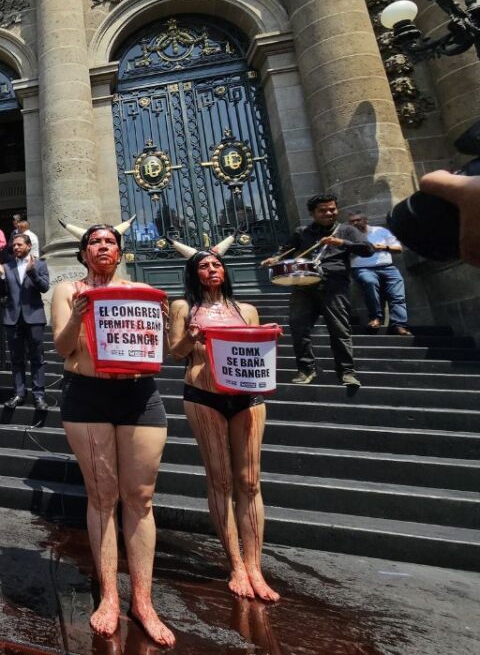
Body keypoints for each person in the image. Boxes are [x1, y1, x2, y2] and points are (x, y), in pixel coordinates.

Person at [52, 218, 175, 648]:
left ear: (120, 253)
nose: (102, 246)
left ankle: (143, 600)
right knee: (102, 496)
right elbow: (63, 347)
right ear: (84, 252)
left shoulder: (141, 293)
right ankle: (108, 596)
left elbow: (159, 350)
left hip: (139, 396)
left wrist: (163, 320)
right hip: (87, 396)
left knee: (140, 498)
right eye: (94, 242)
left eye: (110, 241)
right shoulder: (69, 291)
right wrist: (80, 314)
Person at [167, 236, 279, 602]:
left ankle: (255, 566)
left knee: (249, 482)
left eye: (216, 264)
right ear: (193, 272)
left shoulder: (246, 309)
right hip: (203, 395)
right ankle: (234, 564)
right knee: (220, 480)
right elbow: (174, 352)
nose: (211, 269)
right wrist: (191, 338)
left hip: (247, 397)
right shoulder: (183, 306)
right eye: (203, 265)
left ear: (224, 270)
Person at [262, 195, 373, 387]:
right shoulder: (302, 232)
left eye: (332, 209)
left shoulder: (347, 230)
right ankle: (306, 369)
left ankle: (346, 372)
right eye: (323, 210)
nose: (329, 213)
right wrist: (275, 258)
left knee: (339, 330)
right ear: (313, 213)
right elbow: (286, 250)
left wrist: (342, 243)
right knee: (298, 328)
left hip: (334, 285)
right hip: (304, 286)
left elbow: (367, 249)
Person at [0, 234, 50, 411]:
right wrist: (2, 278)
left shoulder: (40, 264)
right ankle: (19, 393)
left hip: (34, 317)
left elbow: (44, 287)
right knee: (16, 359)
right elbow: (1, 294)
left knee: (37, 358)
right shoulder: (7, 266)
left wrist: (32, 271)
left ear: (28, 246)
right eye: (14, 245)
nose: (16, 248)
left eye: (19, 245)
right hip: (12, 318)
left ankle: (39, 396)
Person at [348, 212, 410, 335]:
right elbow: (342, 255)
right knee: (370, 282)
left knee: (397, 296)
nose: (355, 223)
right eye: (352, 221)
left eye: (358, 220)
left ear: (365, 220)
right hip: (363, 268)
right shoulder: (348, 235)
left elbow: (398, 248)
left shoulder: (380, 231)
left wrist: (384, 247)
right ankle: (375, 318)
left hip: (388, 267)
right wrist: (361, 250)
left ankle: (399, 325)